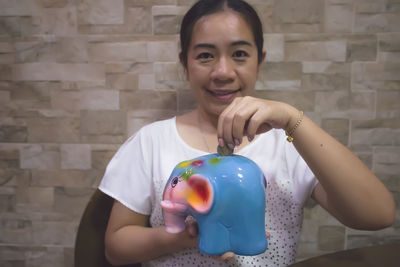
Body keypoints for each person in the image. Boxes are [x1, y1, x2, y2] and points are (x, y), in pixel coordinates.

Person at [99, 0, 395, 266]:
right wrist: (181, 238)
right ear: (184, 64)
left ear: (260, 61)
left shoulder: (290, 144)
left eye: (239, 54)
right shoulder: (150, 142)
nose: (223, 72)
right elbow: (116, 247)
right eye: (205, 56)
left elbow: (377, 215)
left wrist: (292, 120)